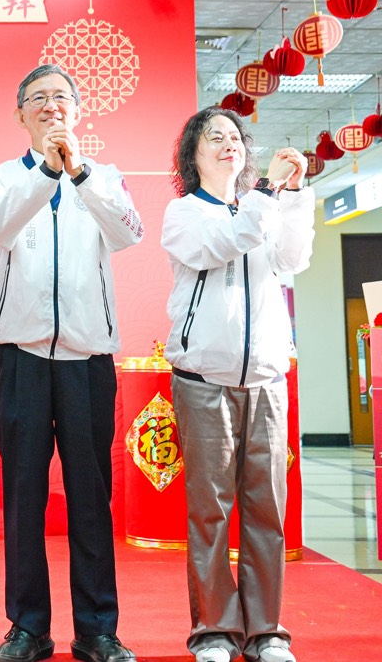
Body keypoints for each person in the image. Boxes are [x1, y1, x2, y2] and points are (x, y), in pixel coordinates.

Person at [0, 65, 142, 662]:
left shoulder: (106, 176)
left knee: (90, 497)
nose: (51, 106)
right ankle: (28, 627)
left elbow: (128, 232)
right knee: (23, 496)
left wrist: (79, 173)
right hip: (20, 356)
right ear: (20, 114)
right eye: (38, 98)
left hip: (86, 358)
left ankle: (97, 629)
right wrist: (46, 172)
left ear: (78, 110)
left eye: (61, 97)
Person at [162, 108, 313, 662]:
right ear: (193, 154)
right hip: (204, 381)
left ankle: (266, 631)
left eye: (235, 137)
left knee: (266, 510)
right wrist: (268, 193)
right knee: (210, 513)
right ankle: (215, 632)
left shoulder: (262, 206)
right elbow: (224, 242)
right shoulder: (184, 213)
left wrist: (294, 196)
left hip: (267, 380)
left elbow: (292, 256)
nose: (229, 144)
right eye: (215, 137)